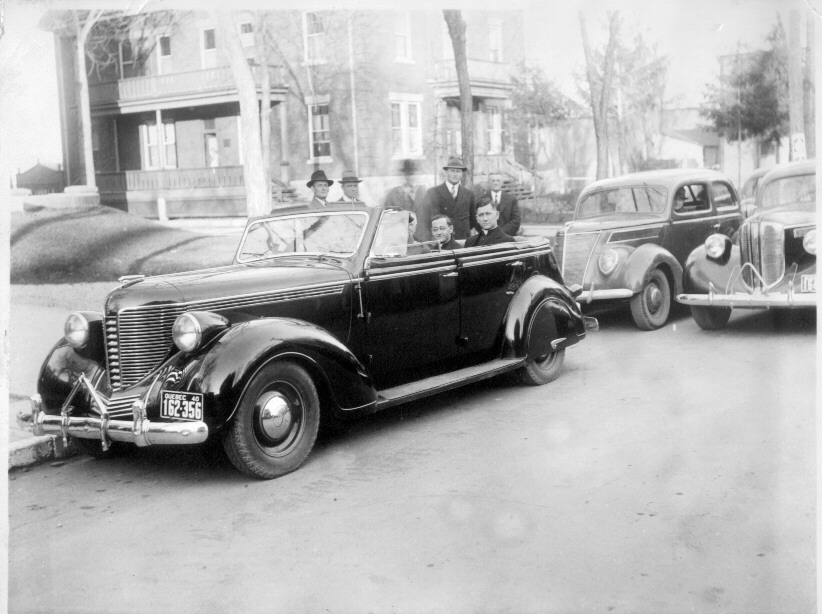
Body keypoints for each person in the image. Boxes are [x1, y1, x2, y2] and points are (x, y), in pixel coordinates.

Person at [424, 156, 477, 240]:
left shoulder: (469, 194)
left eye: (458, 171)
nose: (455, 174)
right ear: (446, 172)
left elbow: (473, 220)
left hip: (463, 239)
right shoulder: (433, 192)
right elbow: (428, 219)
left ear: (462, 174)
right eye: (452, 171)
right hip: (443, 239)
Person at [384, 159, 430, 238]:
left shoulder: (425, 192)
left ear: (416, 174)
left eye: (412, 174)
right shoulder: (394, 193)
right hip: (400, 238)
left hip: (422, 237)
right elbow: (387, 218)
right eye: (407, 174)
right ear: (404, 175)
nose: (409, 177)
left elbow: (431, 216)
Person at [487, 171, 521, 236]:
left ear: (502, 182)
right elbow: (478, 220)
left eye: (498, 180)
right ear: (489, 183)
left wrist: (500, 233)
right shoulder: (481, 199)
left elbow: (516, 220)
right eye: (493, 181)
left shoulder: (511, 200)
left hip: (507, 236)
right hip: (488, 237)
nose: (495, 183)